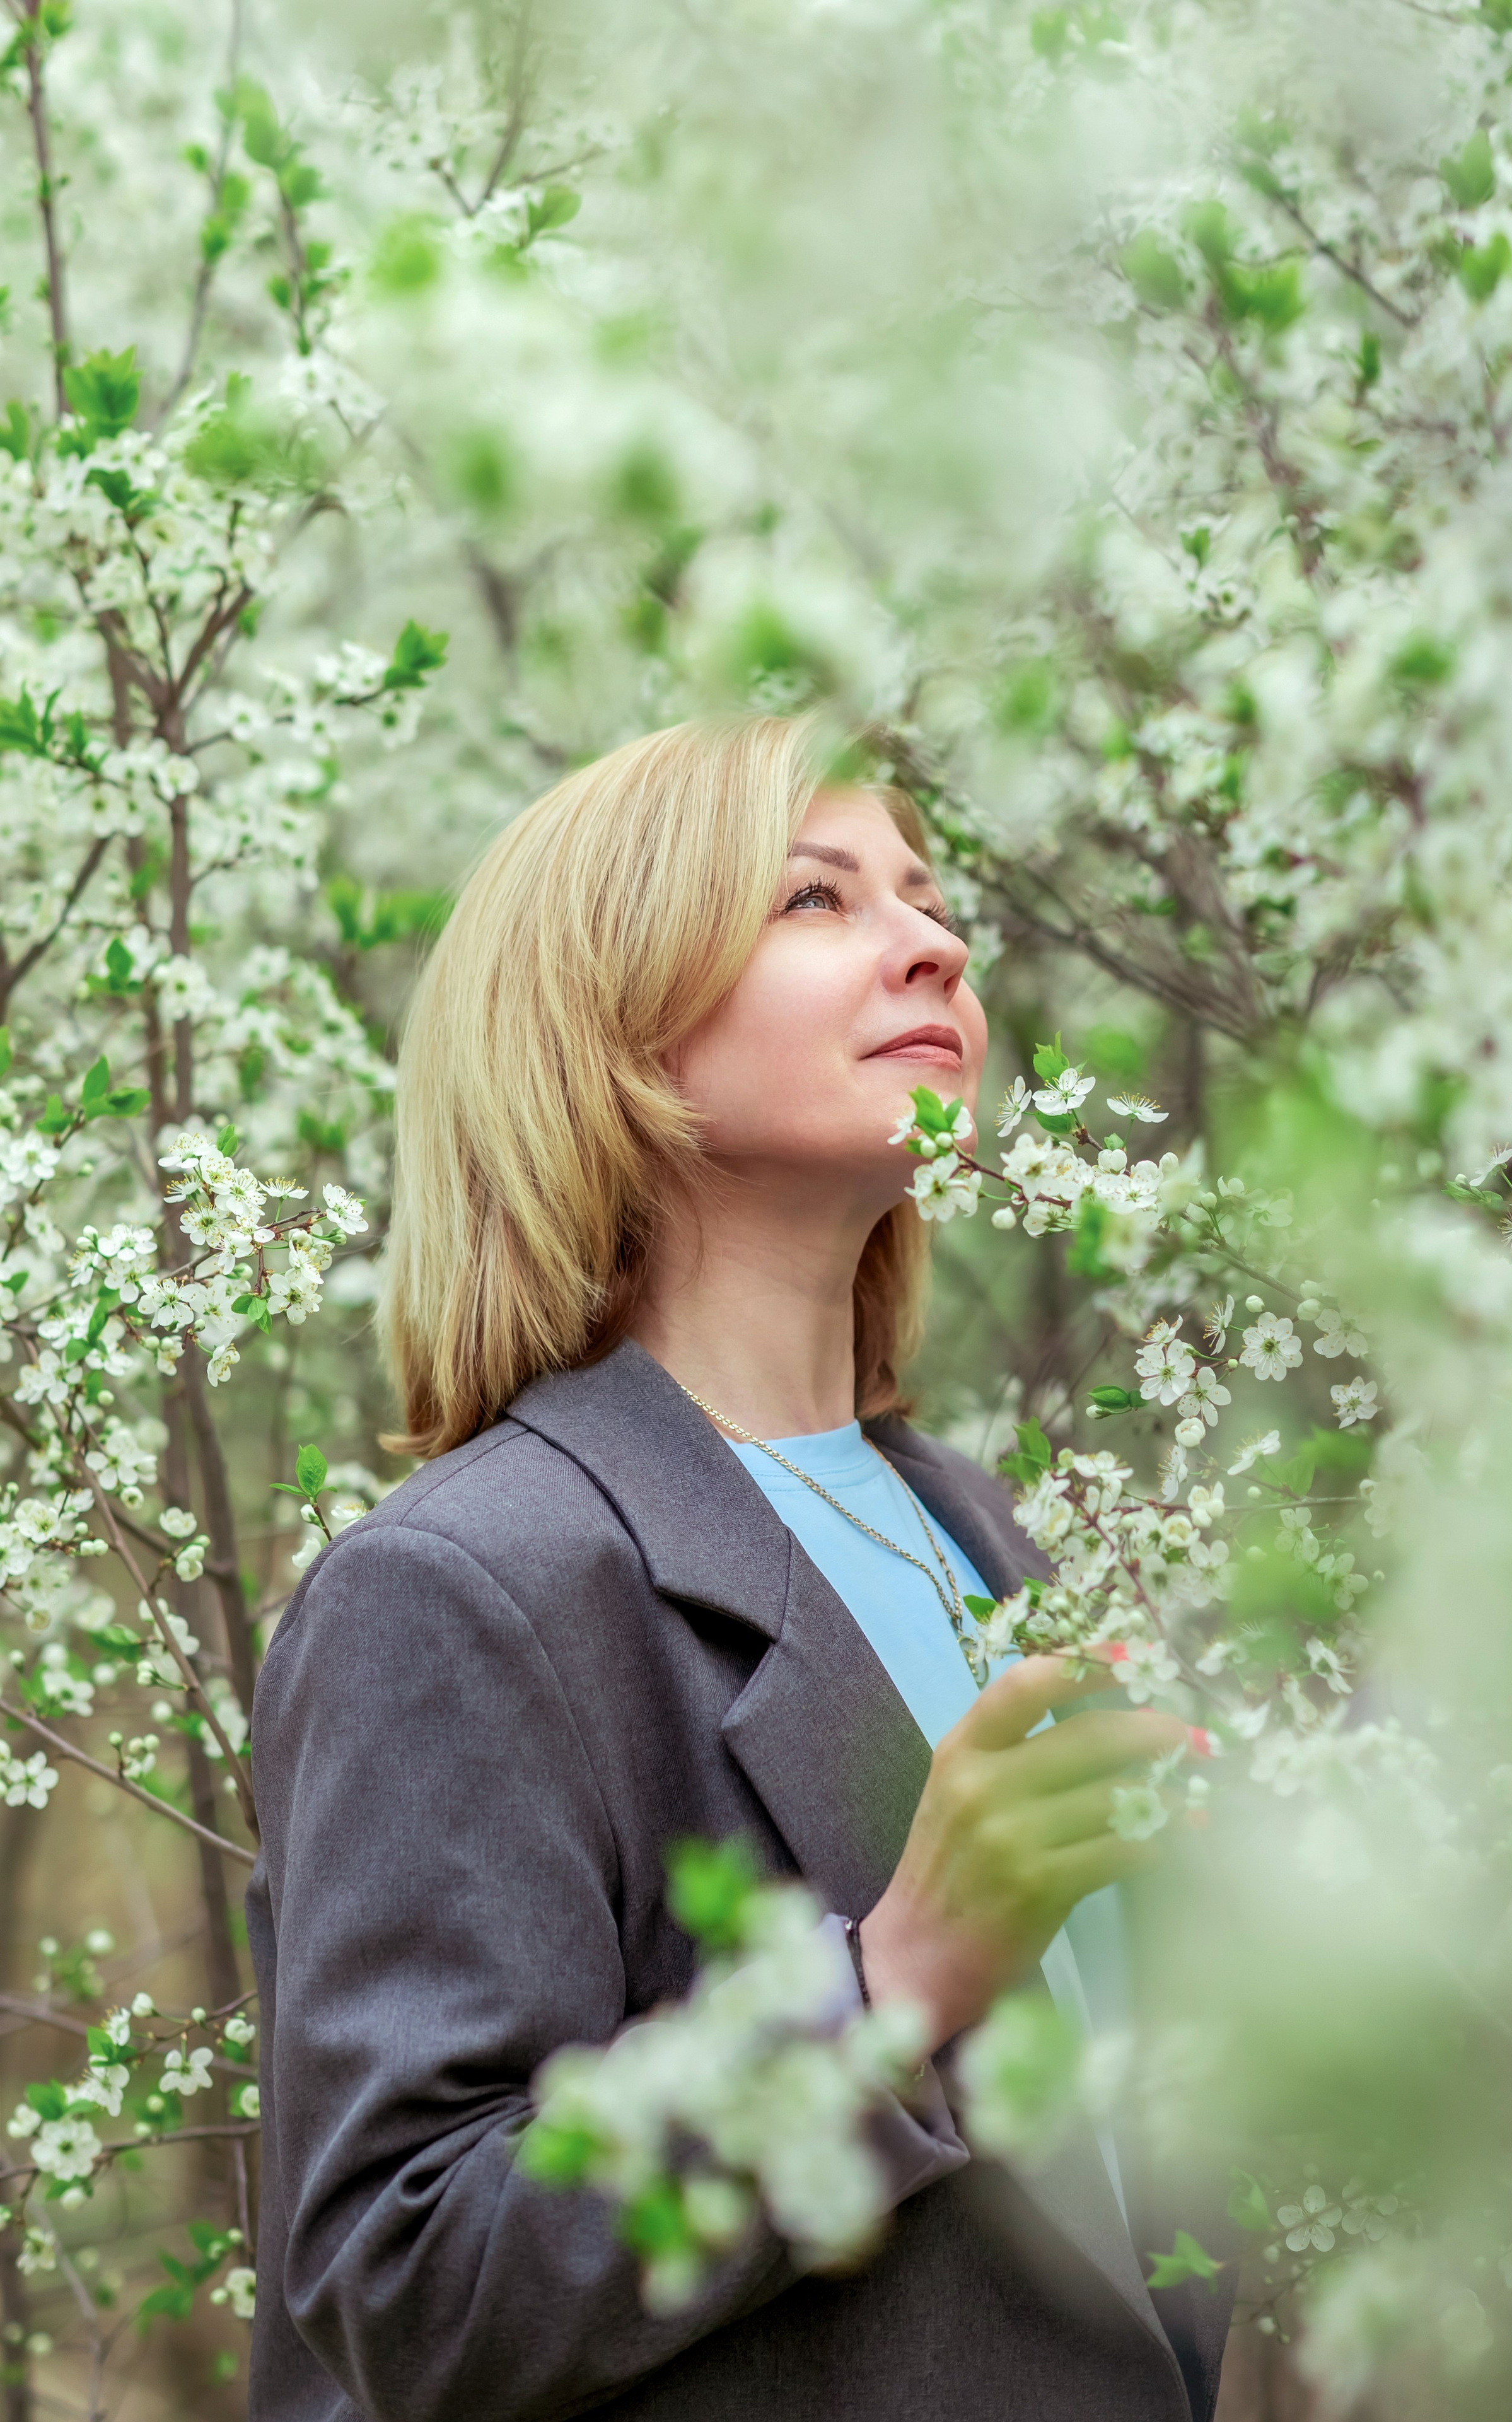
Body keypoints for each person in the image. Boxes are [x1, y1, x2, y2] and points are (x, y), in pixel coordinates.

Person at [246, 716, 1231, 2421]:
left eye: (931, 900)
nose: (934, 945)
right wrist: (885, 1994)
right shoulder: (463, 1588)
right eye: (816, 898)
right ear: (608, 1026)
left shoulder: (990, 1534)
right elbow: (404, 2278)